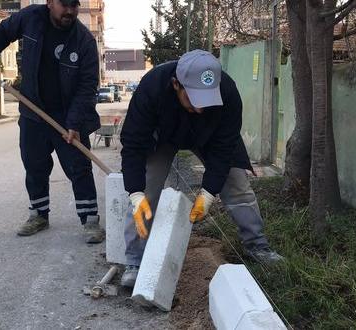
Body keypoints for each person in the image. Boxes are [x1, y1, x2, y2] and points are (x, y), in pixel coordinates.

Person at [119, 50, 284, 287]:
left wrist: (207, 193)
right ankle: (135, 260)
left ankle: (258, 246)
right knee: (147, 189)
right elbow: (133, 144)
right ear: (176, 84)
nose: (200, 109)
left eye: (207, 101)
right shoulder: (152, 87)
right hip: (162, 136)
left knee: (237, 186)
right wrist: (134, 192)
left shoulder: (228, 92)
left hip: (209, 137)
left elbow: (224, 148)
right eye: (194, 100)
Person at [0, 0, 104, 243]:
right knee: (34, 165)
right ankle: (38, 215)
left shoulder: (83, 40)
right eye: (65, 5)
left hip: (67, 116)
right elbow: (3, 32)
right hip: (33, 111)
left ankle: (90, 220)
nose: (70, 11)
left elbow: (87, 87)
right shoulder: (31, 17)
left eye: (74, 5)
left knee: (79, 167)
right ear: (50, 2)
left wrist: (73, 123)